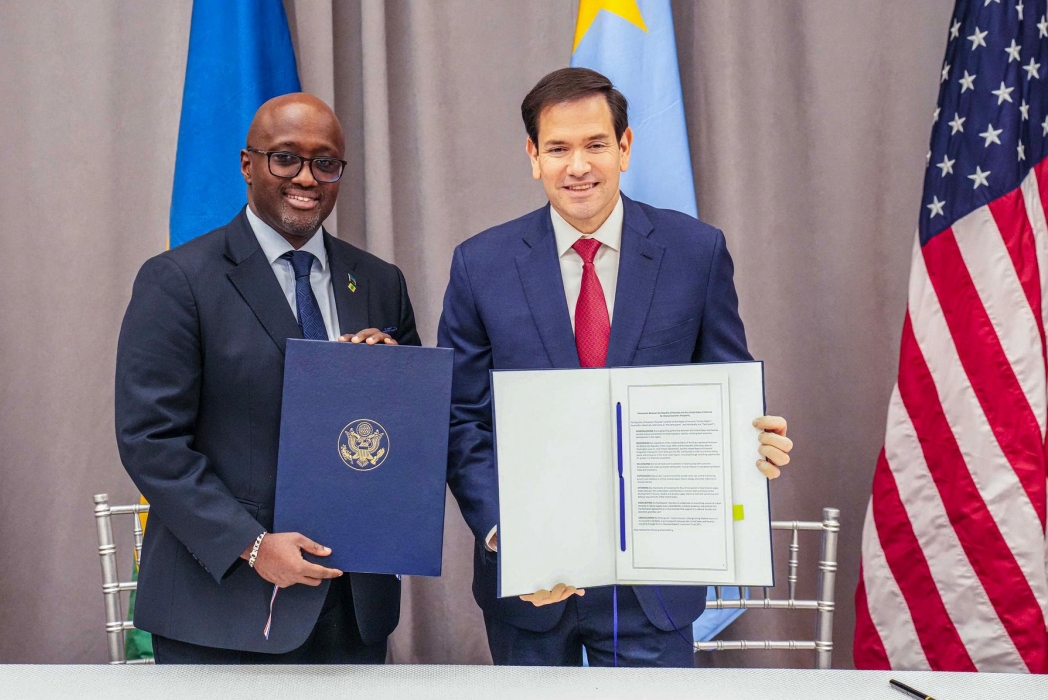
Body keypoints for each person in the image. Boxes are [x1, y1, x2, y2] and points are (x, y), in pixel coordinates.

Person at [438, 67, 794, 667]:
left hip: (653, 586)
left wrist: (751, 442)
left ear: (624, 147)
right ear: (533, 156)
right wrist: (510, 539)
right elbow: (459, 419)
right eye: (558, 148)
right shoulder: (481, 265)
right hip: (532, 585)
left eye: (596, 144)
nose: (578, 165)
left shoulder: (695, 252)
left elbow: (726, 391)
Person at [115, 93, 419, 664]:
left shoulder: (380, 282)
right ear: (247, 164)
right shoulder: (177, 281)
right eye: (285, 158)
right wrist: (251, 546)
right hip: (223, 607)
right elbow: (150, 442)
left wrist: (393, 379)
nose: (307, 177)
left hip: (353, 609)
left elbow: (410, 441)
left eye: (325, 162)